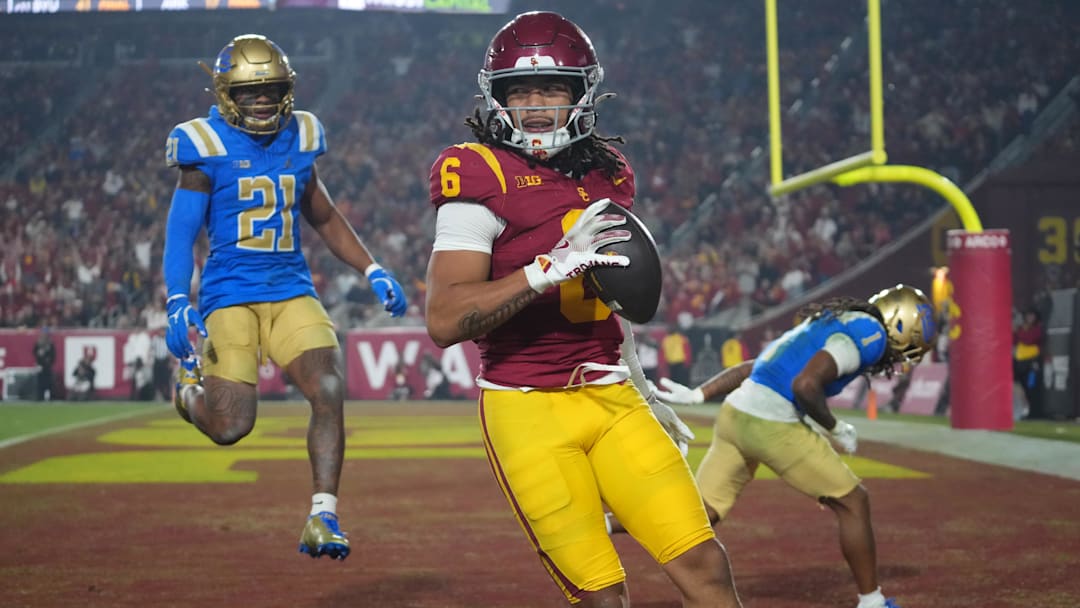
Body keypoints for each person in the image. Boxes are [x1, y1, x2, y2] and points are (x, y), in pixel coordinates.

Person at [423, 12, 742, 607]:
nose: (536, 104)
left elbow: (609, 305)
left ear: (582, 94)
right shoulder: (477, 170)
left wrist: (642, 388)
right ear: (497, 98)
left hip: (612, 396)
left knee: (704, 564)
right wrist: (546, 269)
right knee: (603, 596)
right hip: (528, 411)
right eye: (520, 90)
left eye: (553, 88)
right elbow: (445, 319)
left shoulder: (609, 172)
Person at [162, 34, 408, 561]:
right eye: (251, 93)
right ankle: (187, 393)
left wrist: (372, 267)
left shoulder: (301, 136)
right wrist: (177, 298)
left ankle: (323, 514)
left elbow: (321, 212)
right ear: (228, 94)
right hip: (230, 295)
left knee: (328, 385)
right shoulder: (203, 144)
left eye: (272, 90)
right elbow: (181, 231)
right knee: (232, 426)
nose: (264, 101)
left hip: (291, 286)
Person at [623, 284, 936, 608]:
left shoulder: (835, 320)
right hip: (769, 422)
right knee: (853, 502)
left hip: (735, 412)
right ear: (902, 327)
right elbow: (805, 385)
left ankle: (606, 522)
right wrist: (835, 428)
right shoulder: (871, 333)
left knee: (701, 511)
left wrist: (701, 393)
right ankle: (872, 602)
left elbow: (760, 366)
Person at [1012, 307, 1045, 419]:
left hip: (1033, 363)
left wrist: (1019, 331)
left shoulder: (1038, 329)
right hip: (1021, 363)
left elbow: (1028, 339)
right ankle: (1025, 411)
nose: (1029, 318)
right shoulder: (1021, 329)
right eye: (1028, 315)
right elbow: (1014, 340)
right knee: (1022, 387)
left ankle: (1034, 412)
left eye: (1032, 315)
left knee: (1032, 386)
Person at [33, 328, 56, 401]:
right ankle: (40, 397)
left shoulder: (50, 344)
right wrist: (39, 359)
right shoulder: (38, 343)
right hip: (40, 366)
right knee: (40, 383)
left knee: (49, 383)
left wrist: (49, 361)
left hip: (47, 367)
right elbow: (34, 353)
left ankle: (50, 397)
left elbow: (53, 355)